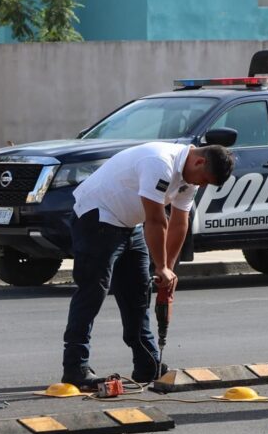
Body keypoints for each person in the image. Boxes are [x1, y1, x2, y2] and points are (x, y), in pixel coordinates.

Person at [61, 142, 235, 388]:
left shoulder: (190, 177)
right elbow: (155, 221)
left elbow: (178, 223)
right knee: (93, 291)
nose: (201, 185)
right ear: (199, 161)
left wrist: (168, 270)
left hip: (128, 224)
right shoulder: (160, 163)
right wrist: (161, 265)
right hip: (97, 217)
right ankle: (75, 367)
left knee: (139, 292)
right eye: (203, 179)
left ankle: (147, 364)